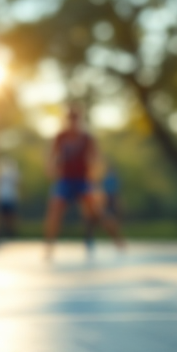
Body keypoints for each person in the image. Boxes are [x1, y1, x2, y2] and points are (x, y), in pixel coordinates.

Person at [44, 105, 126, 259]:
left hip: (83, 180)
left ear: (79, 121)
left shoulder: (87, 138)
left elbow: (96, 159)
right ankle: (49, 247)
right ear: (66, 120)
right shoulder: (60, 137)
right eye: (70, 119)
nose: (73, 123)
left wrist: (95, 179)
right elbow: (51, 157)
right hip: (65, 180)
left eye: (76, 120)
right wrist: (51, 168)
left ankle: (118, 241)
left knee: (98, 212)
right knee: (55, 210)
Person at [0, 157, 20, 238]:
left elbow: (18, 184)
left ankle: (10, 232)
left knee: (10, 216)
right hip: (2, 197)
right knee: (1, 216)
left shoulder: (14, 173)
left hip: (10, 197)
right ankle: (1, 232)